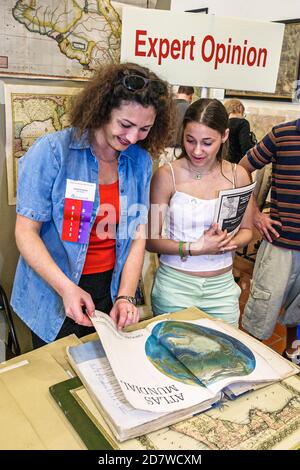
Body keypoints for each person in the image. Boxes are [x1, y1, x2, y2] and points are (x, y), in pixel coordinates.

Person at [11, 62, 175, 347]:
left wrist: (125, 294)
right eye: (125, 124)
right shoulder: (53, 152)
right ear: (103, 110)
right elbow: (26, 232)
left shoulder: (140, 162)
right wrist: (66, 289)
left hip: (109, 287)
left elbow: (138, 234)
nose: (133, 137)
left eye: (144, 128)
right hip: (55, 289)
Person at [146, 98, 253, 327]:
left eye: (207, 143)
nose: (196, 150)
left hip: (222, 289)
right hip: (176, 287)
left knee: (224, 357)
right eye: (190, 140)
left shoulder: (238, 176)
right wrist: (194, 247)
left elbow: (248, 231)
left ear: (224, 136)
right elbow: (151, 240)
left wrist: (227, 242)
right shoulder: (167, 176)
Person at [239, 119, 300, 363]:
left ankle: (291, 364)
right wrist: (254, 214)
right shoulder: (282, 134)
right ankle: (249, 366)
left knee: (297, 320)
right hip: (280, 246)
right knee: (260, 317)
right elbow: (242, 169)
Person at [224, 98, 256, 163]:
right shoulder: (243, 123)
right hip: (237, 163)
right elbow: (245, 147)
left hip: (222, 162)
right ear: (240, 108)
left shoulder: (223, 123)